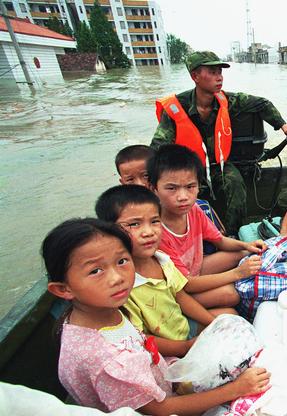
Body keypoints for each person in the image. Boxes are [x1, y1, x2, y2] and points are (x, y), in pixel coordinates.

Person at [43, 218, 270, 414]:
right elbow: (162, 409)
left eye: (122, 261)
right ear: (63, 289)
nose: (117, 278)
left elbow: (141, 340)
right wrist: (236, 389)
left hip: (164, 379)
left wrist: (185, 349)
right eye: (95, 271)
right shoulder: (108, 361)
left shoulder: (104, 313)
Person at [151, 51, 287, 235]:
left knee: (236, 185)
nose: (219, 77)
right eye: (212, 72)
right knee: (182, 196)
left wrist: (285, 129)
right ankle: (188, 236)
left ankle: (232, 234)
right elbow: (157, 148)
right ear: (195, 76)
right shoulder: (176, 108)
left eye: (220, 72)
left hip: (219, 166)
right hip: (187, 169)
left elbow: (262, 104)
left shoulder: (226, 100)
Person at [95, 185, 240, 356]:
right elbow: (140, 338)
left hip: (182, 327)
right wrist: (185, 347)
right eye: (134, 224)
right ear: (108, 230)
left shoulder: (162, 260)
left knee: (230, 316)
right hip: (165, 351)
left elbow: (181, 297)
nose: (149, 232)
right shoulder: (121, 284)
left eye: (155, 221)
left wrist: (213, 323)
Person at [147, 145, 265, 308]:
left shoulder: (194, 210)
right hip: (178, 290)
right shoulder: (155, 231)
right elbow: (186, 284)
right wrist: (237, 274)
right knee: (231, 295)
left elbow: (220, 241)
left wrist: (247, 245)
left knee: (245, 253)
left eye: (190, 187)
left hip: (196, 267)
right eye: (172, 188)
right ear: (154, 189)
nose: (183, 197)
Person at [115, 144, 225, 234]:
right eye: (130, 179)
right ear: (122, 183)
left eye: (146, 176)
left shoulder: (198, 207)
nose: (140, 184)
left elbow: (220, 237)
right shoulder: (124, 218)